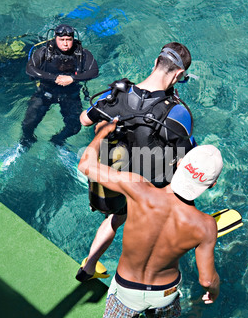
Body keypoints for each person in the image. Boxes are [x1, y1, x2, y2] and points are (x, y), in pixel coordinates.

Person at [78, 120, 223, 318]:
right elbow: (206, 279)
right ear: (211, 185)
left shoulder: (138, 187)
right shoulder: (205, 225)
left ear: (179, 164)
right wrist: (214, 290)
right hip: (166, 291)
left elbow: (86, 165)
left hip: (126, 289)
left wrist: (102, 134)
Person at [76, 42, 197, 282]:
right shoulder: (176, 112)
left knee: (116, 218)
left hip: (117, 177)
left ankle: (89, 267)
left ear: (155, 63)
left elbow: (84, 120)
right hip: (147, 187)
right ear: (179, 74)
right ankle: (193, 225)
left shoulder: (117, 94)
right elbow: (188, 161)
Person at [20, 24, 99, 148]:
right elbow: (30, 69)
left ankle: (57, 140)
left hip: (70, 94)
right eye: (62, 40)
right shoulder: (44, 52)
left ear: (73, 39)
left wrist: (72, 78)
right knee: (28, 123)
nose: (65, 44)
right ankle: (27, 140)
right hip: (46, 91)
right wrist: (54, 78)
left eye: (68, 40)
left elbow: (94, 71)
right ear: (55, 38)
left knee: (74, 127)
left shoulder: (82, 54)